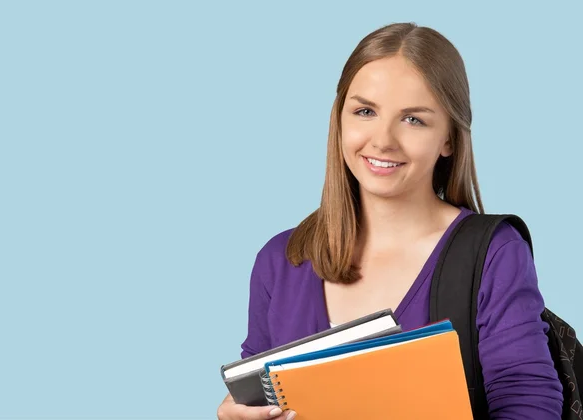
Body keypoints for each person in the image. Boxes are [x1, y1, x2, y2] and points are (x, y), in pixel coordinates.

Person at [217, 22, 564, 420]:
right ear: (340, 119)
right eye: (365, 111)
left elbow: (528, 402)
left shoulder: (494, 254)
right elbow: (256, 398)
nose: (383, 140)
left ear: (449, 138)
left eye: (413, 119)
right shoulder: (280, 260)